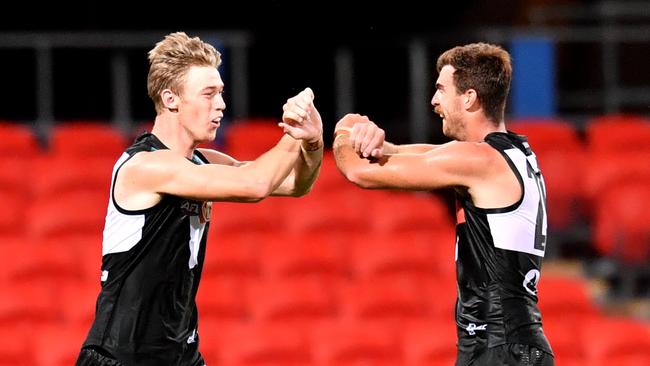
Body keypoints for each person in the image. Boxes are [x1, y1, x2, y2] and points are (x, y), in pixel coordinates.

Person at [76, 32, 323, 366]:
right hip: (123, 356)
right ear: (171, 99)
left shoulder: (201, 161)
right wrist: (292, 132)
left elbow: (295, 184)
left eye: (221, 93)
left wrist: (311, 143)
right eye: (208, 94)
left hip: (180, 356)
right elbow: (255, 184)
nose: (221, 104)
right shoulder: (147, 165)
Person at [332, 43, 554, 365]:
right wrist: (368, 137)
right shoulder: (514, 155)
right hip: (511, 342)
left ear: (469, 97)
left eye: (440, 89)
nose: (433, 101)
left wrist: (344, 129)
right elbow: (397, 152)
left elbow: (358, 171)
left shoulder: (478, 159)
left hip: (499, 345)